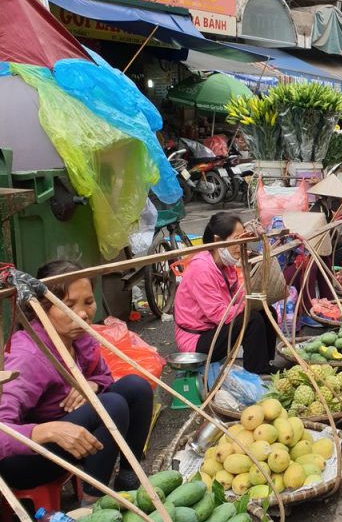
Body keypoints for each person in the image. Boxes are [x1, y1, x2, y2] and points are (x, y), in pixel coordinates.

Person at [0, 261, 153, 494]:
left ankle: (128, 475)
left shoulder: (80, 337)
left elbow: (104, 377)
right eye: (67, 305)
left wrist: (89, 385)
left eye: (89, 302)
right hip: (24, 458)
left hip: (70, 429)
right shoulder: (27, 356)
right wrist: (45, 431)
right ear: (42, 307)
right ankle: (92, 504)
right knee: (111, 405)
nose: (82, 314)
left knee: (136, 387)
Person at [175, 212, 276, 373]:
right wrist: (246, 305)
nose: (241, 245)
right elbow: (219, 315)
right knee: (252, 319)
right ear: (217, 241)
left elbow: (238, 296)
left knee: (266, 310)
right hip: (197, 339)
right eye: (236, 240)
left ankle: (266, 363)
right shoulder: (201, 269)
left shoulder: (226, 266)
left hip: (215, 329)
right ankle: (257, 372)